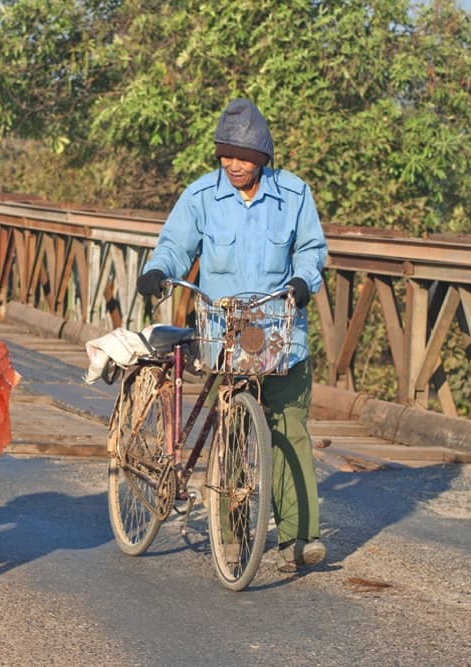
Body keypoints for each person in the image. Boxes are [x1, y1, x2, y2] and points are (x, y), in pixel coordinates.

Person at [136, 98, 328, 573]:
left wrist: (304, 281)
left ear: (263, 157)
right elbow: (175, 246)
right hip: (224, 339)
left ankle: (298, 538)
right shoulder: (201, 197)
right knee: (231, 433)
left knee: (289, 432)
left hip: (281, 336)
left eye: (244, 157)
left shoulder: (294, 195)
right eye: (226, 155)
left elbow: (311, 249)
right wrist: (158, 271)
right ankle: (232, 534)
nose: (235, 165)